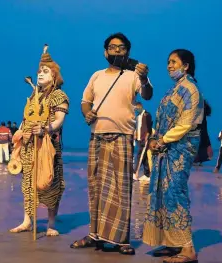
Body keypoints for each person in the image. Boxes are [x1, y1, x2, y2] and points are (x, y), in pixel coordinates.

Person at [70, 32, 153, 255]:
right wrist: (87, 114)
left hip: (122, 137)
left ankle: (122, 240)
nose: (117, 50)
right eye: (113, 47)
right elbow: (85, 102)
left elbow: (147, 94)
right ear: (105, 51)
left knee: (121, 188)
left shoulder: (134, 75)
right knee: (96, 187)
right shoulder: (96, 76)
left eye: (122, 47)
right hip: (97, 137)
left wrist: (144, 78)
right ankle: (94, 235)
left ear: (128, 52)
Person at [143, 49, 204, 263]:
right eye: (168, 62)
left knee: (175, 194)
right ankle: (172, 243)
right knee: (162, 193)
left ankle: (188, 249)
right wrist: (154, 140)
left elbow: (186, 124)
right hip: (165, 149)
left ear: (185, 66)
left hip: (179, 150)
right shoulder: (174, 89)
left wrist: (161, 141)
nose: (169, 65)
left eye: (174, 62)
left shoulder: (190, 90)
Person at [9, 46, 69, 236]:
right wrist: (19, 132)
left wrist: (45, 129)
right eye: (39, 72)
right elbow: (26, 118)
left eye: (45, 71)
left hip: (47, 145)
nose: (40, 75)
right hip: (28, 145)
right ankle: (27, 220)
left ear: (54, 75)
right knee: (28, 183)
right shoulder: (35, 95)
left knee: (50, 182)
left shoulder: (58, 95)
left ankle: (51, 224)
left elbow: (59, 120)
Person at [133, 102, 153, 182]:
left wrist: (147, 135)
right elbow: (137, 127)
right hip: (139, 138)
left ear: (140, 107)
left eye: (137, 108)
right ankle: (147, 174)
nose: (136, 110)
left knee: (139, 156)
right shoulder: (137, 116)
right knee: (144, 157)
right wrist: (135, 134)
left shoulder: (147, 115)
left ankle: (135, 173)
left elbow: (149, 127)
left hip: (144, 138)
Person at [193, 100, 212, 166]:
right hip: (203, 129)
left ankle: (196, 161)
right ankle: (200, 161)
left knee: (197, 146)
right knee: (202, 145)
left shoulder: (199, 110)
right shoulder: (204, 110)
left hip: (199, 128)